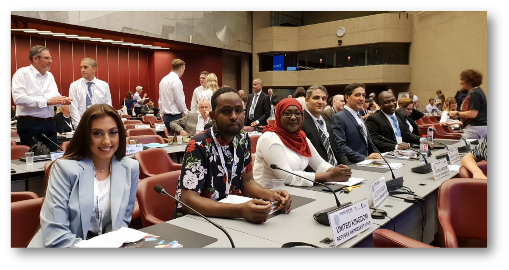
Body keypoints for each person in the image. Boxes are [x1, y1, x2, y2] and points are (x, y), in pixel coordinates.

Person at [173, 87, 292, 223]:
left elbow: (247, 182)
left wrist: (271, 195)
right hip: (198, 220)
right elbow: (188, 201)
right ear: (213, 116)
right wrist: (240, 210)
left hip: (229, 216)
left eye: (239, 110)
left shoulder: (242, 138)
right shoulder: (199, 145)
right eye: (226, 111)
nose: (234, 116)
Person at [28, 104, 139, 247]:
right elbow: (56, 237)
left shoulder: (130, 167)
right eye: (97, 133)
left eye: (113, 132)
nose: (106, 141)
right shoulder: (64, 168)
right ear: (86, 136)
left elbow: (122, 223)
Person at [254, 97, 352, 189]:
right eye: (287, 114)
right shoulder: (270, 138)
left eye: (298, 113)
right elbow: (287, 177)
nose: (293, 117)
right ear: (279, 116)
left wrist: (337, 171)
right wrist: (330, 175)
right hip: (268, 196)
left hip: (295, 192)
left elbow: (319, 164)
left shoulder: (301, 136)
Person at [11, 45, 73, 152]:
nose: (50, 61)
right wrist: (47, 102)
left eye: (50, 58)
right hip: (29, 123)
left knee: (53, 156)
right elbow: (19, 98)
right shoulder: (22, 74)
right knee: (34, 159)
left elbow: (55, 97)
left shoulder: (50, 76)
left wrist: (62, 101)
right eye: (47, 58)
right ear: (35, 58)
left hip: (49, 123)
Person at [301, 85, 351, 170]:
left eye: (323, 99)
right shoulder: (300, 122)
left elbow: (337, 150)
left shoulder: (326, 124)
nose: (321, 102)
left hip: (337, 170)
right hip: (320, 175)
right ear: (307, 100)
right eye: (316, 98)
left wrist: (349, 168)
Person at [330, 83, 382, 164]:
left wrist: (377, 155)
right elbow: (340, 146)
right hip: (354, 165)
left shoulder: (359, 116)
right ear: (347, 97)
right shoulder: (339, 118)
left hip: (369, 163)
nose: (362, 99)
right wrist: (364, 158)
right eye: (357, 95)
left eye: (364, 95)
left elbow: (367, 142)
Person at [68, 58, 112, 129]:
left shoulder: (104, 85)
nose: (82, 70)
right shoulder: (74, 86)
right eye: (81, 67)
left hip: (100, 123)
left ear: (94, 69)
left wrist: (106, 123)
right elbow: (73, 107)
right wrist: (79, 126)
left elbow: (108, 106)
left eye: (85, 67)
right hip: (82, 123)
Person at [447, 69, 487, 139]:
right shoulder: (478, 91)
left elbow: (473, 114)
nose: (460, 82)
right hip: (480, 128)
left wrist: (456, 113)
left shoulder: (474, 93)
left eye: (462, 80)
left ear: (468, 81)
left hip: (476, 128)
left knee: (460, 147)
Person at [159, 59, 189, 134]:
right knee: (177, 143)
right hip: (175, 116)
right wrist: (186, 113)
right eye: (183, 70)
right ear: (181, 68)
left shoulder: (163, 80)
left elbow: (160, 100)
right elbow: (179, 100)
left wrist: (161, 113)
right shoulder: (176, 81)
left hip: (166, 116)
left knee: (171, 141)